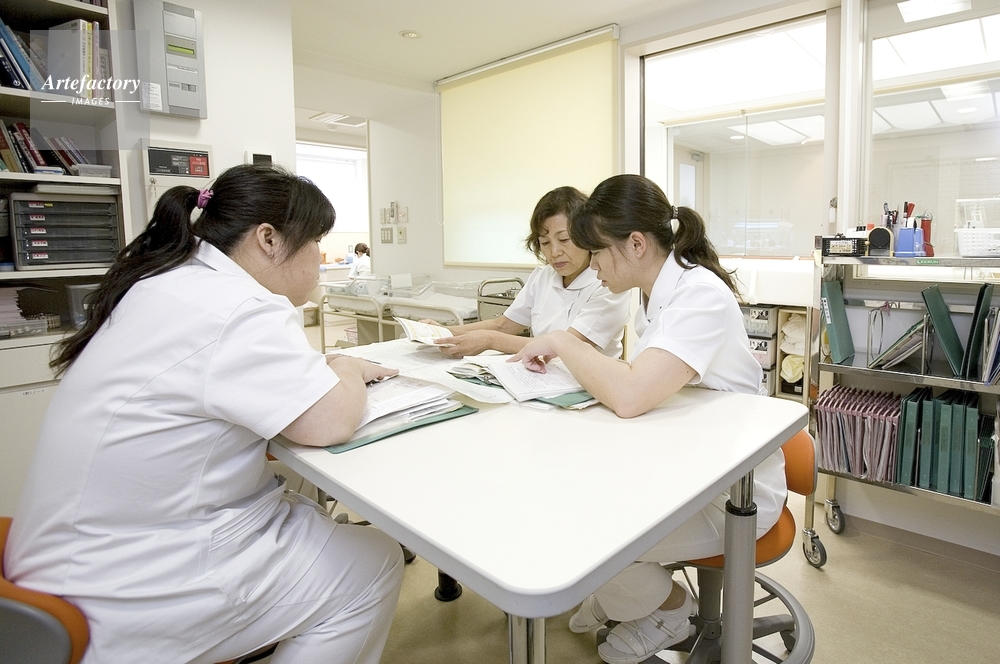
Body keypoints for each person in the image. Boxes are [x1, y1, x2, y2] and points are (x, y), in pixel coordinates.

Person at [4, 165, 404, 664]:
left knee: (308, 512)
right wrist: (346, 366)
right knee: (373, 564)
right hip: (126, 585)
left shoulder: (168, 283)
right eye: (314, 243)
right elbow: (330, 422)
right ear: (269, 239)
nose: (318, 261)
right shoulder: (239, 306)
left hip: (68, 553)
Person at [510, 174, 785, 664]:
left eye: (597, 251)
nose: (592, 264)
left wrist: (561, 341)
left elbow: (633, 394)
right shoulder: (654, 291)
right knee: (566, 489)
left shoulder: (700, 295)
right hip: (687, 463)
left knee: (585, 530)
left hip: (731, 495)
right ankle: (629, 596)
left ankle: (670, 610)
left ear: (636, 244)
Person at [432, 186, 630, 358]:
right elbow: (503, 325)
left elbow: (566, 347)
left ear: (586, 236)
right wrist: (442, 331)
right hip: (539, 377)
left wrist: (490, 340)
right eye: (545, 243)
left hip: (587, 385)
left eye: (564, 240)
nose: (554, 252)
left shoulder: (609, 284)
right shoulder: (543, 276)